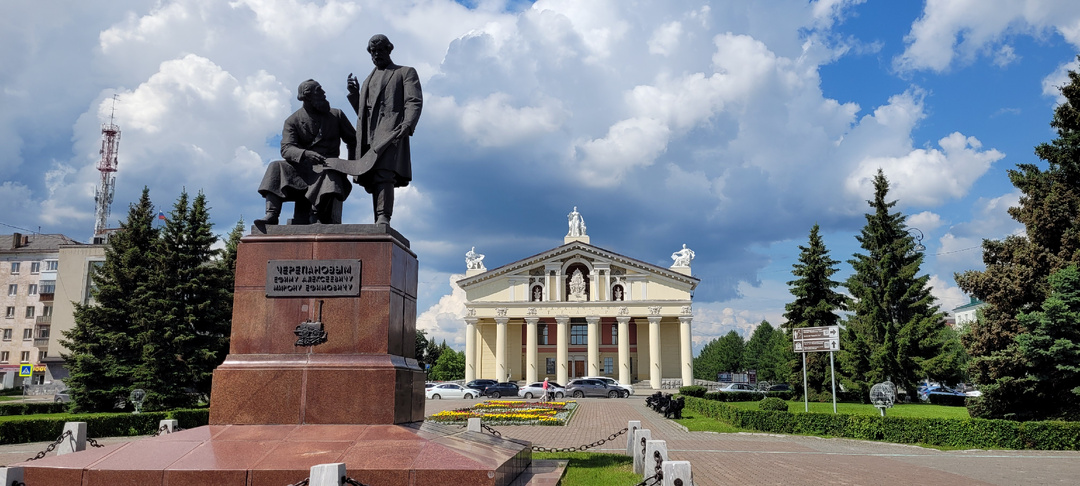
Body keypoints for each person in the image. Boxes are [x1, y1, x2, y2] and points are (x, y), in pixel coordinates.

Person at [256, 79, 356, 225]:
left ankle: (316, 215)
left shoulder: (336, 115)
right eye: (319, 91)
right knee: (275, 167)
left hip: (329, 166)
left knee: (329, 173)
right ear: (308, 97)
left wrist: (350, 166)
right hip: (303, 169)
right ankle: (272, 214)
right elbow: (286, 148)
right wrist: (305, 154)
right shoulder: (293, 120)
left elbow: (353, 140)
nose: (324, 93)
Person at [347, 34, 423, 225]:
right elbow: (364, 114)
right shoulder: (367, 80)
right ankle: (378, 220)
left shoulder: (404, 72)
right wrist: (354, 95)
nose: (377, 54)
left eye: (381, 50)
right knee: (373, 177)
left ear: (389, 50)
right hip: (369, 136)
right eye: (373, 51)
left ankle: (383, 217)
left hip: (391, 131)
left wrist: (408, 124)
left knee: (384, 173)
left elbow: (413, 101)